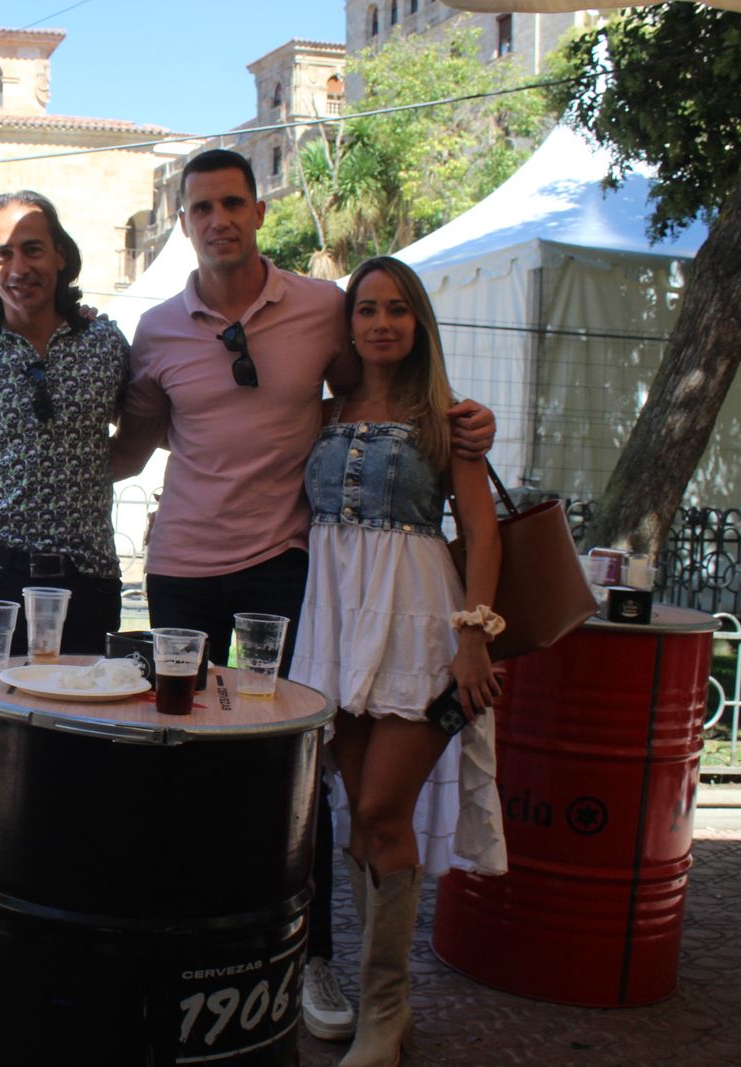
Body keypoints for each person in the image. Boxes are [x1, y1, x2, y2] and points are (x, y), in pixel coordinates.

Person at [111, 148, 497, 1042]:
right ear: (184, 220)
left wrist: (461, 418)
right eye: (202, 207)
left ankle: (310, 954)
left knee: (298, 782)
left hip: (296, 575)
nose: (220, 220)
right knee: (192, 762)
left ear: (258, 208)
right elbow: (134, 445)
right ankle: (201, 940)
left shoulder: (323, 306)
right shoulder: (159, 329)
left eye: (234, 202)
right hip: (184, 569)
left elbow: (386, 401)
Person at [290, 256, 507, 1066]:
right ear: (347, 326)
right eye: (367, 309)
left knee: (383, 806)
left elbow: (482, 531)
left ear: (420, 324)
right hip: (335, 618)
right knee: (358, 808)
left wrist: (473, 633)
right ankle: (384, 1009)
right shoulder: (323, 410)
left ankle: (385, 1009)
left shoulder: (447, 417)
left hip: (417, 617)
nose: (381, 323)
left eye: (397, 309)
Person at [0, 190, 130, 660]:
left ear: (60, 255)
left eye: (32, 249)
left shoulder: (106, 344)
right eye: (2, 255)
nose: (18, 269)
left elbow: (136, 441)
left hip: (87, 579)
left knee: (81, 727)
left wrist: (72, 473)